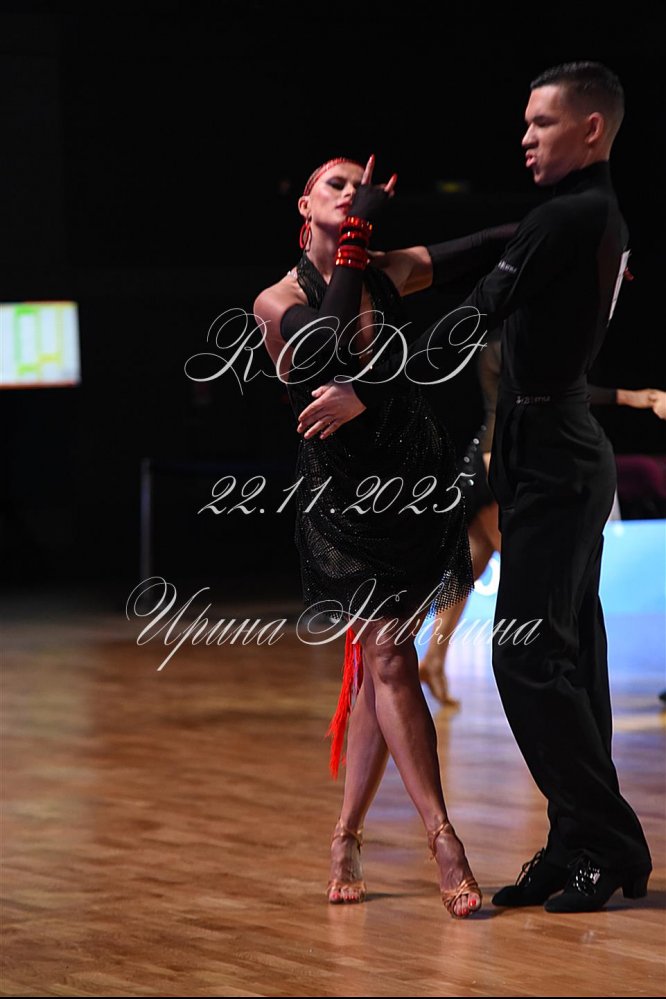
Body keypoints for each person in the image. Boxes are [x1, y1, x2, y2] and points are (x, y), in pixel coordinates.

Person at [296, 64, 653, 913]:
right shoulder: (574, 220)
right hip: (525, 450)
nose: (524, 137)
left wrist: (367, 389)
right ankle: (579, 843)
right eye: (525, 122)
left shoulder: (570, 217)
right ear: (303, 207)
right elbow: (328, 340)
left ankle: (607, 840)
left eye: (542, 123)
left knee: (526, 654)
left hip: (549, 447)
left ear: (591, 130)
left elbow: (472, 314)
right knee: (566, 652)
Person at [253, 154, 517, 918]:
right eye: (333, 185)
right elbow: (326, 349)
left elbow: (492, 246)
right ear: (305, 206)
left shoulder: (387, 271)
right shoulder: (276, 300)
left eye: (355, 185)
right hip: (345, 501)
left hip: (415, 483)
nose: (348, 192)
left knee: (380, 667)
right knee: (390, 657)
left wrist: (589, 240)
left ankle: (345, 833)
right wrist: (357, 237)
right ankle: (444, 838)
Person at [419, 333, 666, 707]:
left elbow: (567, 393)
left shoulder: (523, 344)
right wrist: (637, 398)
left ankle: (433, 661)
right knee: (535, 577)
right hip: (497, 468)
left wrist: (636, 397)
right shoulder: (504, 347)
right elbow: (508, 408)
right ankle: (544, 678)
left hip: (500, 464)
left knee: (470, 567)